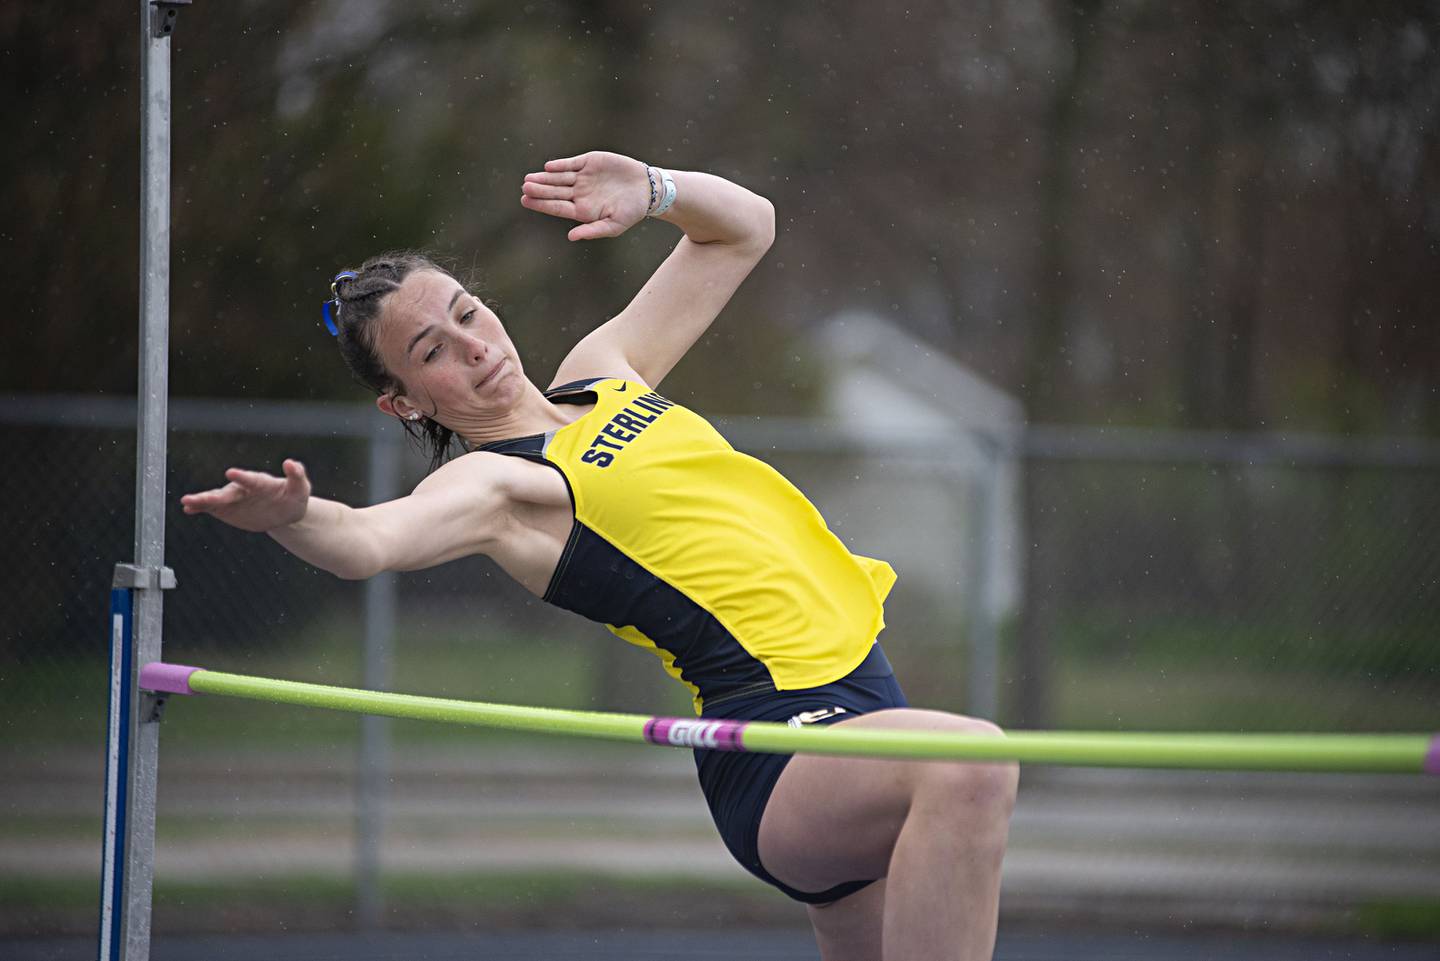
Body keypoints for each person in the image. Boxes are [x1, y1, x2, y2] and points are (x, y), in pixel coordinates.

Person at [181, 151, 1018, 961]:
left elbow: (744, 229)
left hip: (867, 690)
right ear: (403, 402)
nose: (473, 346)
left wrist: (654, 190)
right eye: (432, 350)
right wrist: (297, 516)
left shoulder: (603, 372)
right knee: (967, 765)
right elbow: (369, 542)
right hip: (777, 741)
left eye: (467, 312)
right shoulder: (499, 486)